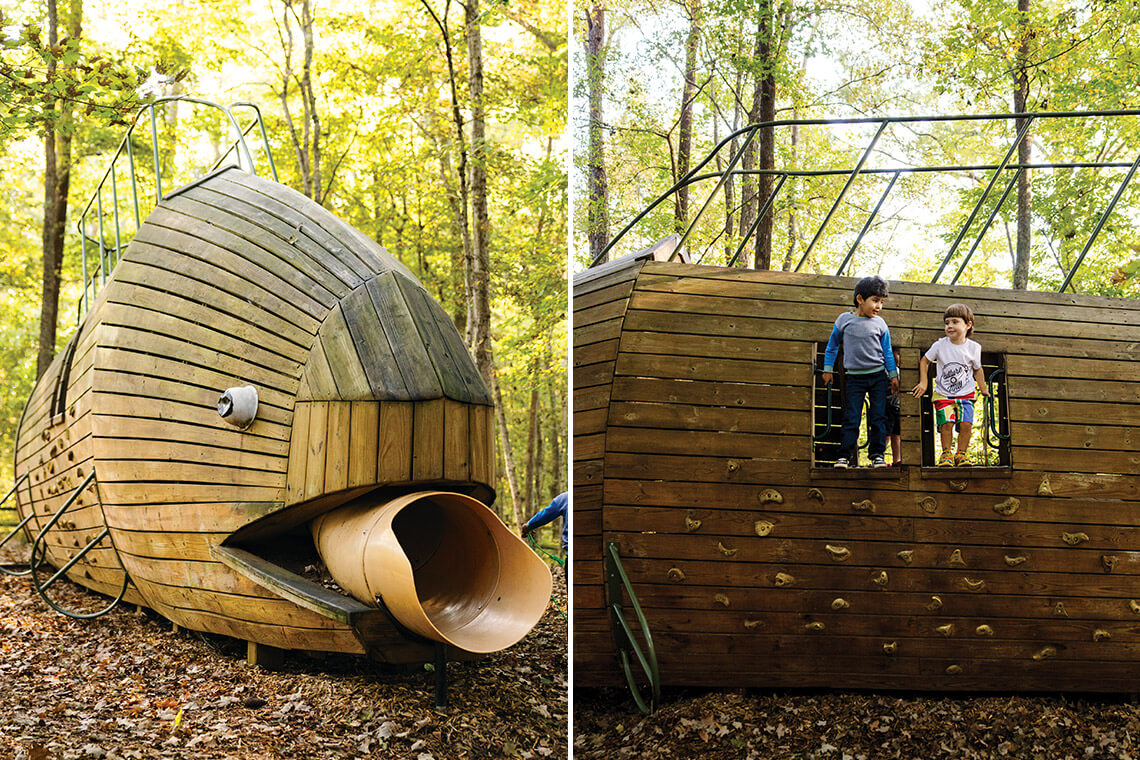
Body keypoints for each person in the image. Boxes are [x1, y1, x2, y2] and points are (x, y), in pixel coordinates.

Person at [821, 275, 900, 469]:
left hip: (878, 378)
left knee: (878, 417)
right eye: (875, 301)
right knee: (852, 416)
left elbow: (887, 351)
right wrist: (828, 369)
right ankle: (844, 456)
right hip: (854, 378)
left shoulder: (880, 324)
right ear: (860, 299)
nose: (879, 306)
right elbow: (832, 346)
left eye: (881, 302)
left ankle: (877, 456)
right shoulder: (844, 320)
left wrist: (893, 376)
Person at [911, 303, 988, 466]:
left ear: (968, 325)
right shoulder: (940, 345)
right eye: (947, 323)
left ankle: (961, 454)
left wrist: (983, 388)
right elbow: (925, 361)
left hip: (966, 394)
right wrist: (924, 382)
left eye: (955, 322)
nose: (949, 326)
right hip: (943, 394)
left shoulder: (974, 348)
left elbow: (977, 370)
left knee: (966, 424)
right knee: (946, 423)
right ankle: (946, 453)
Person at [887, 347, 902, 465]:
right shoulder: (887, 370)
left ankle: (896, 460)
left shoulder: (901, 370)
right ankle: (880, 457)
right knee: (886, 434)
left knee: (896, 435)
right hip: (887, 407)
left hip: (898, 407)